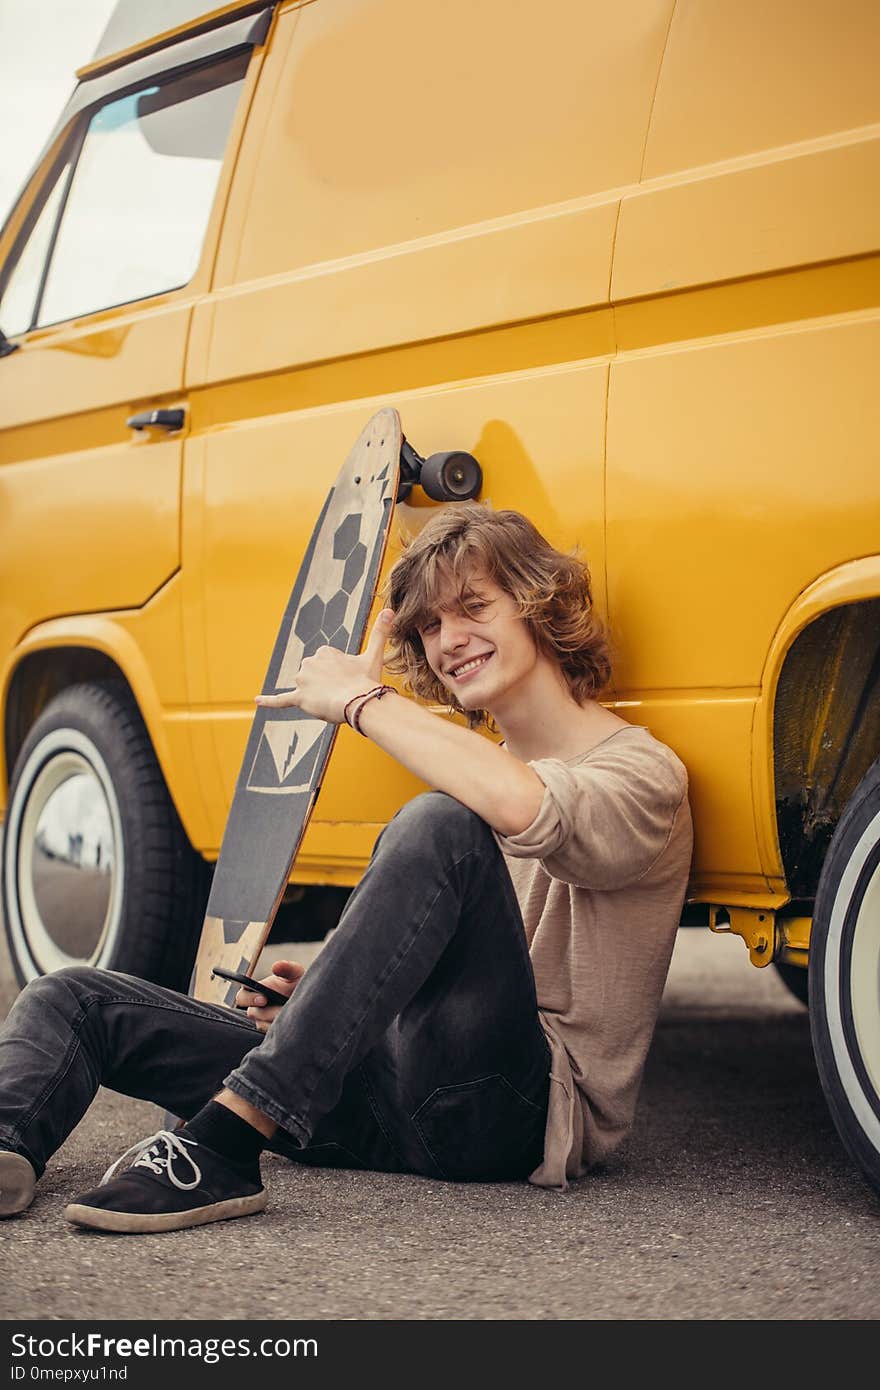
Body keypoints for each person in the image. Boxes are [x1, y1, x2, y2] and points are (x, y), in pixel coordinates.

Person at [0, 504, 692, 1233]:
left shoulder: (645, 774)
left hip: (506, 1117)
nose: (449, 641)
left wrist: (361, 702)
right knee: (71, 998)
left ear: (536, 603)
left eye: (473, 608)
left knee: (439, 824)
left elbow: (528, 810)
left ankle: (227, 1144)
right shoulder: (484, 772)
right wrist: (329, 1003)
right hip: (380, 1093)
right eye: (429, 627)